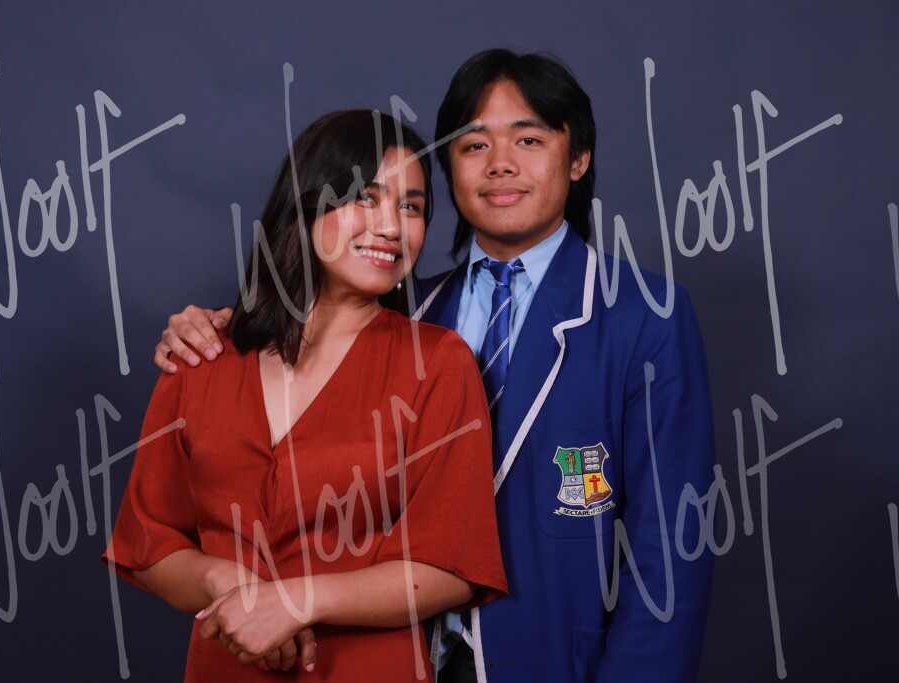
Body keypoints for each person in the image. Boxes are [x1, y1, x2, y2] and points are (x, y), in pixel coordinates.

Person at [154, 50, 716, 683]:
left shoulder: (644, 316)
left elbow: (670, 549)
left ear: (578, 157)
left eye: (529, 139)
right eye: (474, 145)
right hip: (388, 657)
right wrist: (215, 331)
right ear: (449, 167)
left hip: (553, 661)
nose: (500, 163)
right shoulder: (397, 309)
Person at [104, 109, 507, 683]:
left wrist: (295, 602)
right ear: (306, 204)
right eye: (366, 198)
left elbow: (452, 566)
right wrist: (226, 583)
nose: (391, 227)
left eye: (412, 207)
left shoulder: (438, 363)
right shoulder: (202, 355)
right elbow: (147, 545)